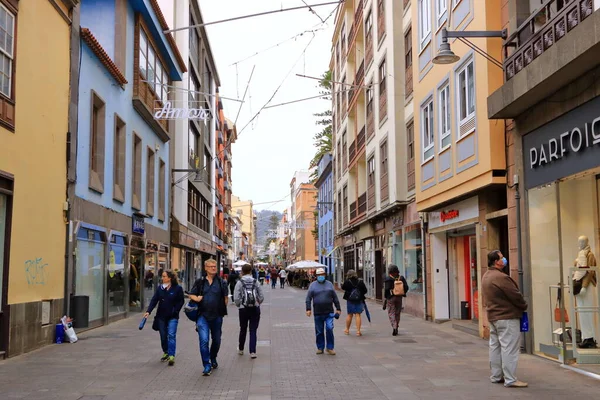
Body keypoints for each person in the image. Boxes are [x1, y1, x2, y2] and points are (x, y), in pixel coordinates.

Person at [482, 250, 528, 388]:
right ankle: (511, 379)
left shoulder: (486, 275)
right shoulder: (501, 277)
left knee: (495, 347)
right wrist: (524, 305)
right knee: (509, 348)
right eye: (502, 257)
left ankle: (496, 376)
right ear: (496, 262)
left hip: (493, 316)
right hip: (507, 316)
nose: (504, 259)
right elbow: (515, 295)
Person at [188, 258, 229, 377]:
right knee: (204, 340)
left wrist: (221, 307)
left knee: (216, 340)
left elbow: (225, 298)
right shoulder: (200, 282)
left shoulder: (222, 282)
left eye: (214, 266)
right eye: (211, 266)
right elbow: (191, 294)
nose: (213, 268)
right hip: (202, 316)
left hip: (217, 316)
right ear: (205, 268)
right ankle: (206, 365)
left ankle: (213, 357)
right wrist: (196, 299)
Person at [144, 270, 184, 366]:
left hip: (173, 317)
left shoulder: (177, 288)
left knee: (171, 335)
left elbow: (181, 301)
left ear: (169, 278)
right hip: (161, 316)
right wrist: (148, 311)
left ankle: (171, 355)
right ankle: (166, 351)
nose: (162, 278)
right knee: (163, 335)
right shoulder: (160, 288)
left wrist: (175, 311)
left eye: (164, 276)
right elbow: (154, 300)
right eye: (162, 276)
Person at [305, 268, 341, 355]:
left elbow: (335, 297)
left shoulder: (329, 285)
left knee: (329, 328)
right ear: (316, 276)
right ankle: (320, 347)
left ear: (325, 275)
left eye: (322, 275)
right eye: (319, 275)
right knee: (319, 331)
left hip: (329, 312)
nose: (321, 276)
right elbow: (308, 298)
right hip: (318, 312)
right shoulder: (312, 285)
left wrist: (338, 308)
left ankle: (330, 347)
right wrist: (308, 309)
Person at [234, 264, 264, 359]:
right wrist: (257, 302)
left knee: (243, 329)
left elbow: (236, 297)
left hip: (243, 309)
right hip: (255, 308)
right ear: (251, 271)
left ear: (242, 272)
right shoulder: (256, 281)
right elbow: (262, 296)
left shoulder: (239, 282)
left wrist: (239, 305)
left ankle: (241, 349)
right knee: (253, 330)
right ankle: (252, 351)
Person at [383, 265, 408, 336]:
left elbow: (386, 290)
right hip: (399, 297)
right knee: (397, 312)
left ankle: (394, 326)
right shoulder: (401, 278)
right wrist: (403, 293)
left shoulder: (388, 279)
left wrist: (386, 297)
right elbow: (406, 287)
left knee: (391, 312)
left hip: (391, 298)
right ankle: (396, 326)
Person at [341, 269, 368, 336]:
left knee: (350, 314)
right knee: (357, 314)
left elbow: (343, 288)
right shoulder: (360, 281)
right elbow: (365, 290)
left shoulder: (347, 282)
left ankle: (347, 330)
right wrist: (359, 294)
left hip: (350, 300)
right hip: (358, 300)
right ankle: (358, 331)